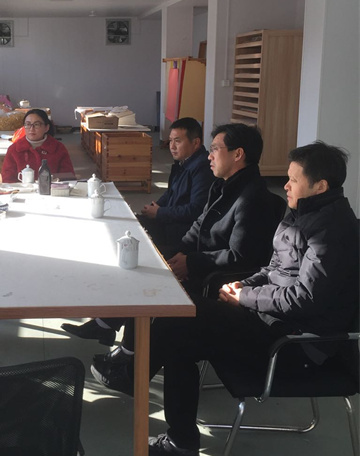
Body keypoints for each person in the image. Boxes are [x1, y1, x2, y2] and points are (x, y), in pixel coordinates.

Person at [91, 142, 359, 456]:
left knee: (180, 320)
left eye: (293, 179)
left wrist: (245, 297)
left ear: (320, 186)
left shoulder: (333, 231)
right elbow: (273, 268)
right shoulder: (303, 213)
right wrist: (243, 286)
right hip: (268, 321)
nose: (286, 185)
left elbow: (304, 298)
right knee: (179, 331)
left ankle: (138, 383)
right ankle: (176, 435)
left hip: (295, 346)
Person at [63, 122, 277, 346]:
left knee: (148, 281)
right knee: (143, 262)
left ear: (238, 154)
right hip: (199, 257)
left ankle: (129, 351)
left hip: (215, 275)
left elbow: (240, 256)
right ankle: (111, 331)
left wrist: (190, 262)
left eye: (215, 149)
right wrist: (178, 253)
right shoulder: (223, 185)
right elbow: (199, 224)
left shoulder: (252, 198)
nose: (209, 156)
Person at [138, 117, 214, 255]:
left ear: (196, 142)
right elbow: (171, 192)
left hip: (180, 234)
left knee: (136, 244)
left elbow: (196, 210)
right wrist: (155, 206)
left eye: (177, 141)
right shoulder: (183, 162)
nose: (171, 146)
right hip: (169, 221)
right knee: (132, 223)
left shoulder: (202, 169)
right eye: (171, 140)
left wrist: (160, 213)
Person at [1, 109, 75, 182]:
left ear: (46, 128)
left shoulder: (58, 148)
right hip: (21, 189)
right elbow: (7, 179)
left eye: (36, 124)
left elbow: (67, 177)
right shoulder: (14, 149)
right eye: (28, 124)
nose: (31, 129)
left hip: (52, 189)